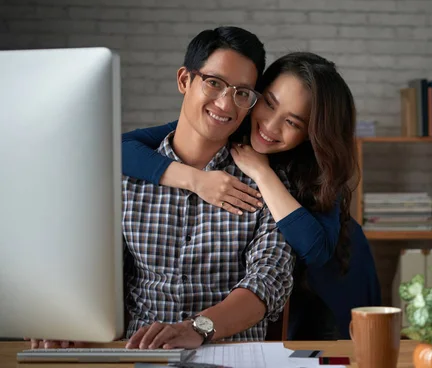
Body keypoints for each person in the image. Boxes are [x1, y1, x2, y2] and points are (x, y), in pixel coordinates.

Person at [29, 26, 295, 350]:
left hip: (231, 355)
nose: (226, 103)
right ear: (185, 80)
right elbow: (91, 273)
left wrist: (199, 328)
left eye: (242, 93)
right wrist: (70, 321)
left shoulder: (265, 185)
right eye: (214, 83)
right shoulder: (126, 179)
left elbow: (269, 280)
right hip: (140, 354)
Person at [121, 51, 381, 340]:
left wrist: (262, 174)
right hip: (289, 285)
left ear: (311, 133)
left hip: (333, 279)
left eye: (292, 122)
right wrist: (197, 181)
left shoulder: (315, 168)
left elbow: (315, 250)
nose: (270, 125)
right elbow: (120, 147)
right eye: (269, 103)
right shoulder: (233, 121)